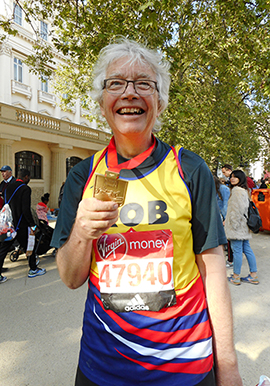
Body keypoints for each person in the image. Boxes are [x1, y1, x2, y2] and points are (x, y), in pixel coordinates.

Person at [51, 39, 242, 386]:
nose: (129, 93)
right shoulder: (83, 175)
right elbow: (70, 278)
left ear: (160, 102)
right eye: (116, 83)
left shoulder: (189, 168)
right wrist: (81, 230)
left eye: (144, 84)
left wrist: (227, 366)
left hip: (184, 362)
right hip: (105, 364)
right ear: (101, 102)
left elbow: (212, 268)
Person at [0, 169, 46, 283]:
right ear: (26, 177)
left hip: (9, 225)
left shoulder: (8, 187)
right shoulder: (25, 189)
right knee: (29, 247)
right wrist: (33, 225)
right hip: (21, 225)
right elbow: (26, 209)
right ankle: (33, 270)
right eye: (28, 177)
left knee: (3, 250)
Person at [224, 170, 259, 286]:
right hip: (244, 225)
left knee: (237, 251)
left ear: (241, 178)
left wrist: (232, 225)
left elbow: (236, 211)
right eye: (232, 177)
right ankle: (253, 275)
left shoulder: (236, 191)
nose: (232, 179)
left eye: (235, 177)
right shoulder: (245, 191)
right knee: (247, 249)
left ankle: (236, 276)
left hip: (237, 226)